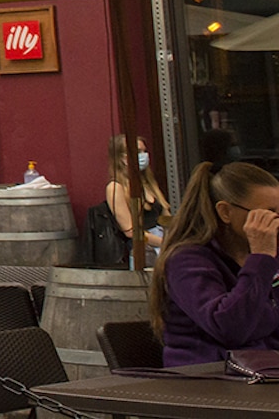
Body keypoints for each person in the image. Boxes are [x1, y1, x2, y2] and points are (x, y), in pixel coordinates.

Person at [151, 161, 279, 366]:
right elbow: (230, 328)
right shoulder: (187, 261)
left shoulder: (269, 258)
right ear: (225, 212)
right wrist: (261, 258)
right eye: (267, 214)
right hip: (207, 377)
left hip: (263, 370)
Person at [106, 135, 171, 263]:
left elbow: (166, 217)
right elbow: (131, 233)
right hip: (145, 250)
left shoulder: (149, 183)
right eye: (138, 152)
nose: (144, 156)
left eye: (145, 151)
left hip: (165, 242)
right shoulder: (115, 188)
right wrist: (164, 243)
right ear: (122, 158)